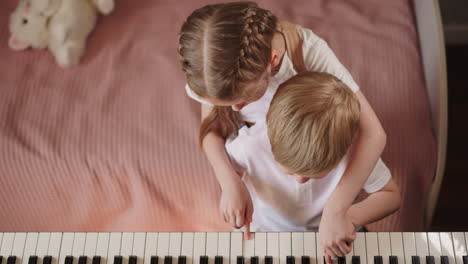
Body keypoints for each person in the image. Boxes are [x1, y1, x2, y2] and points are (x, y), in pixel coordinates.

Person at [178, 2, 387, 261]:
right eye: (225, 104)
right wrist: (229, 182)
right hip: (275, 150)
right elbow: (212, 130)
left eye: (243, 99)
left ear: (272, 61)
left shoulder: (310, 53)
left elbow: (374, 134)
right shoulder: (211, 71)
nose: (234, 109)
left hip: (307, 127)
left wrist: (337, 211)